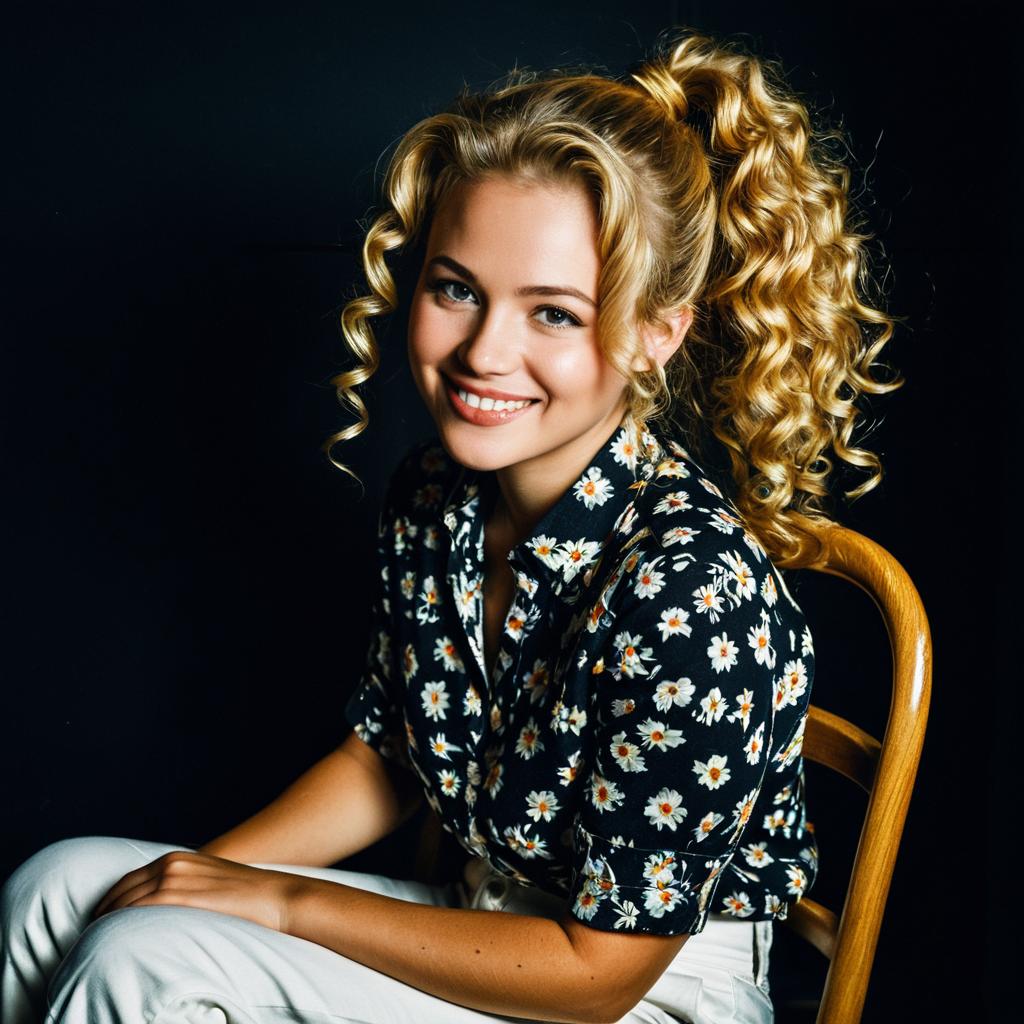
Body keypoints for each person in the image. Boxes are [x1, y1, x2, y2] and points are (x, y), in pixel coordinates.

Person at [0, 26, 900, 1024]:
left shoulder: (689, 588)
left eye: (552, 312)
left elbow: (597, 971)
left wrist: (278, 900)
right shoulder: (434, 496)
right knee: (59, 889)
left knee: (147, 963)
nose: (482, 351)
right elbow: (389, 757)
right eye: (455, 289)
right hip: (482, 918)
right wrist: (201, 875)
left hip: (635, 989)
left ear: (656, 331)